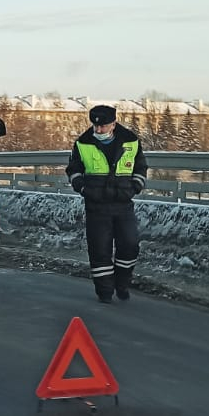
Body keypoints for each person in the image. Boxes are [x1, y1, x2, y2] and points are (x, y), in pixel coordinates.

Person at [66, 104, 148, 303]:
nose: (99, 130)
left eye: (103, 127)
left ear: (113, 124)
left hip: (123, 203)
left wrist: (134, 187)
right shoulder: (83, 143)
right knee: (99, 250)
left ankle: (122, 284)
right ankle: (104, 292)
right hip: (96, 205)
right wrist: (83, 188)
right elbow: (74, 169)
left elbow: (141, 167)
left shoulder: (131, 141)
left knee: (129, 245)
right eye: (96, 127)